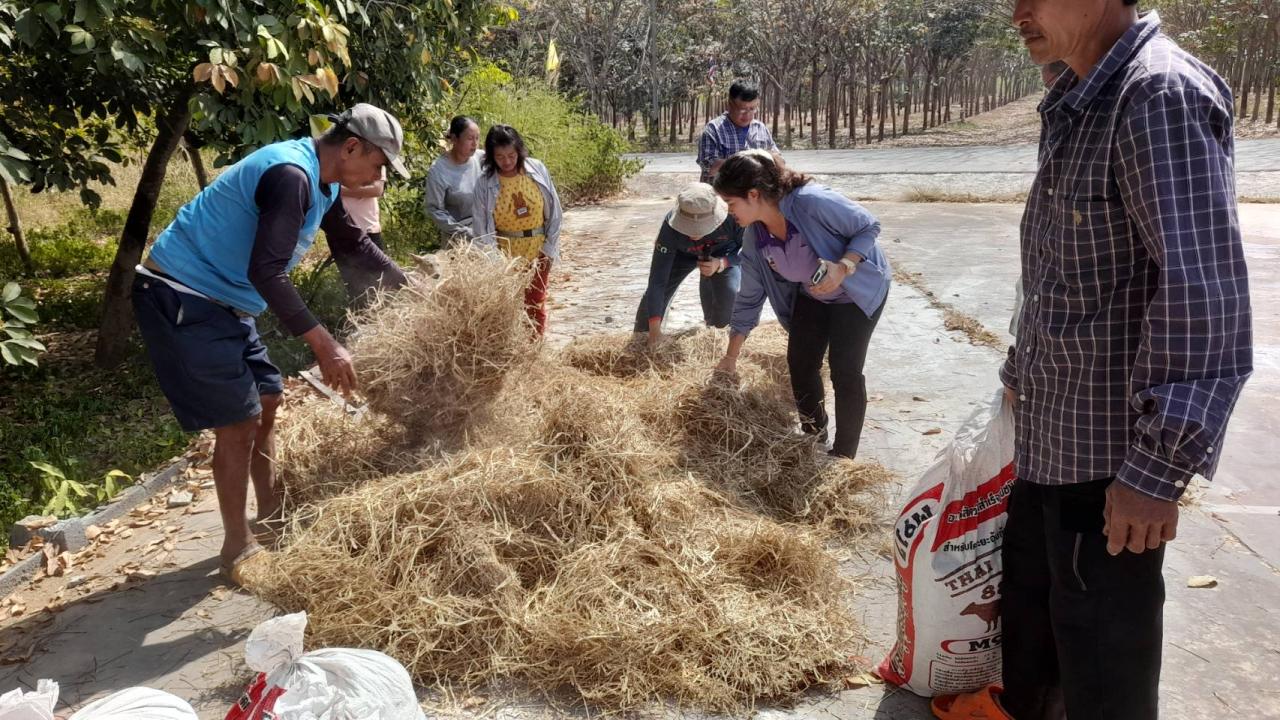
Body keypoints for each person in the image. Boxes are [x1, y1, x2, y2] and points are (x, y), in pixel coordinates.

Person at [935, 2, 1253, 719]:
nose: (1018, 11)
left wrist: (1157, 473)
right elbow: (1063, 273)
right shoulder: (1076, 95)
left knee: (1103, 675)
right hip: (1050, 442)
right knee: (1037, 647)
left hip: (1110, 472)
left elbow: (1202, 294)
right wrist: (1020, 374)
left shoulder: (1156, 95)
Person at [132, 104, 410, 585]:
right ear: (351, 147)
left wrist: (414, 290)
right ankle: (237, 548)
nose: (377, 174)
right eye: (379, 163)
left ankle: (272, 516)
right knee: (239, 422)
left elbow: (352, 245)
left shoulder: (321, 185)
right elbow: (267, 271)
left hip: (225, 303)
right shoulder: (291, 176)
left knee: (268, 398)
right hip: (183, 294)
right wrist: (324, 344)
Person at [712, 150, 890, 459]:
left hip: (856, 290)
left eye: (731, 204)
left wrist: (843, 266)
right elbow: (750, 296)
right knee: (801, 362)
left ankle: (843, 457)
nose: (729, 213)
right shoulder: (756, 236)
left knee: (845, 370)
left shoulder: (811, 201)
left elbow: (868, 226)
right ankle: (813, 439)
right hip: (814, 293)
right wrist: (731, 357)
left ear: (753, 195)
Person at [472, 124, 564, 337]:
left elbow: (555, 212)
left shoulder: (537, 170)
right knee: (509, 306)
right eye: (500, 157)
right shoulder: (484, 184)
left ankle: (535, 350)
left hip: (538, 248)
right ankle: (513, 351)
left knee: (536, 303)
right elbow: (481, 228)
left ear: (519, 151)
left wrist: (549, 248)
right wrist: (495, 262)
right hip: (506, 254)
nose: (507, 161)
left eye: (511, 155)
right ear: (491, 157)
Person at [633, 183, 743, 348]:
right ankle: (644, 339)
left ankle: (716, 339)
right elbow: (657, 281)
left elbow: (751, 253)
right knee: (646, 320)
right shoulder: (669, 228)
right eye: (688, 227)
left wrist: (722, 263)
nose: (695, 233)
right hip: (681, 255)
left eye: (701, 228)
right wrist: (653, 331)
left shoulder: (735, 216)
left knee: (729, 296)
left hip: (723, 252)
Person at [697, 80, 782, 184]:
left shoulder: (760, 128)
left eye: (752, 109)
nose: (747, 115)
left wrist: (770, 157)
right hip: (721, 196)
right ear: (729, 104)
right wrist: (746, 161)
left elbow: (778, 160)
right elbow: (709, 168)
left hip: (754, 196)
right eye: (742, 110)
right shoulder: (713, 129)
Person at [426, 115, 483, 245]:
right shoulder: (438, 170)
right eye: (469, 138)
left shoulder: (481, 159)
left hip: (484, 231)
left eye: (477, 138)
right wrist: (462, 231)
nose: (474, 143)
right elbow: (435, 210)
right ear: (454, 138)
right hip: (456, 239)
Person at [340, 167, 386, 250]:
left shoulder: (378, 160)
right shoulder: (337, 157)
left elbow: (376, 190)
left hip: (367, 230)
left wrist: (339, 190)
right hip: (342, 230)